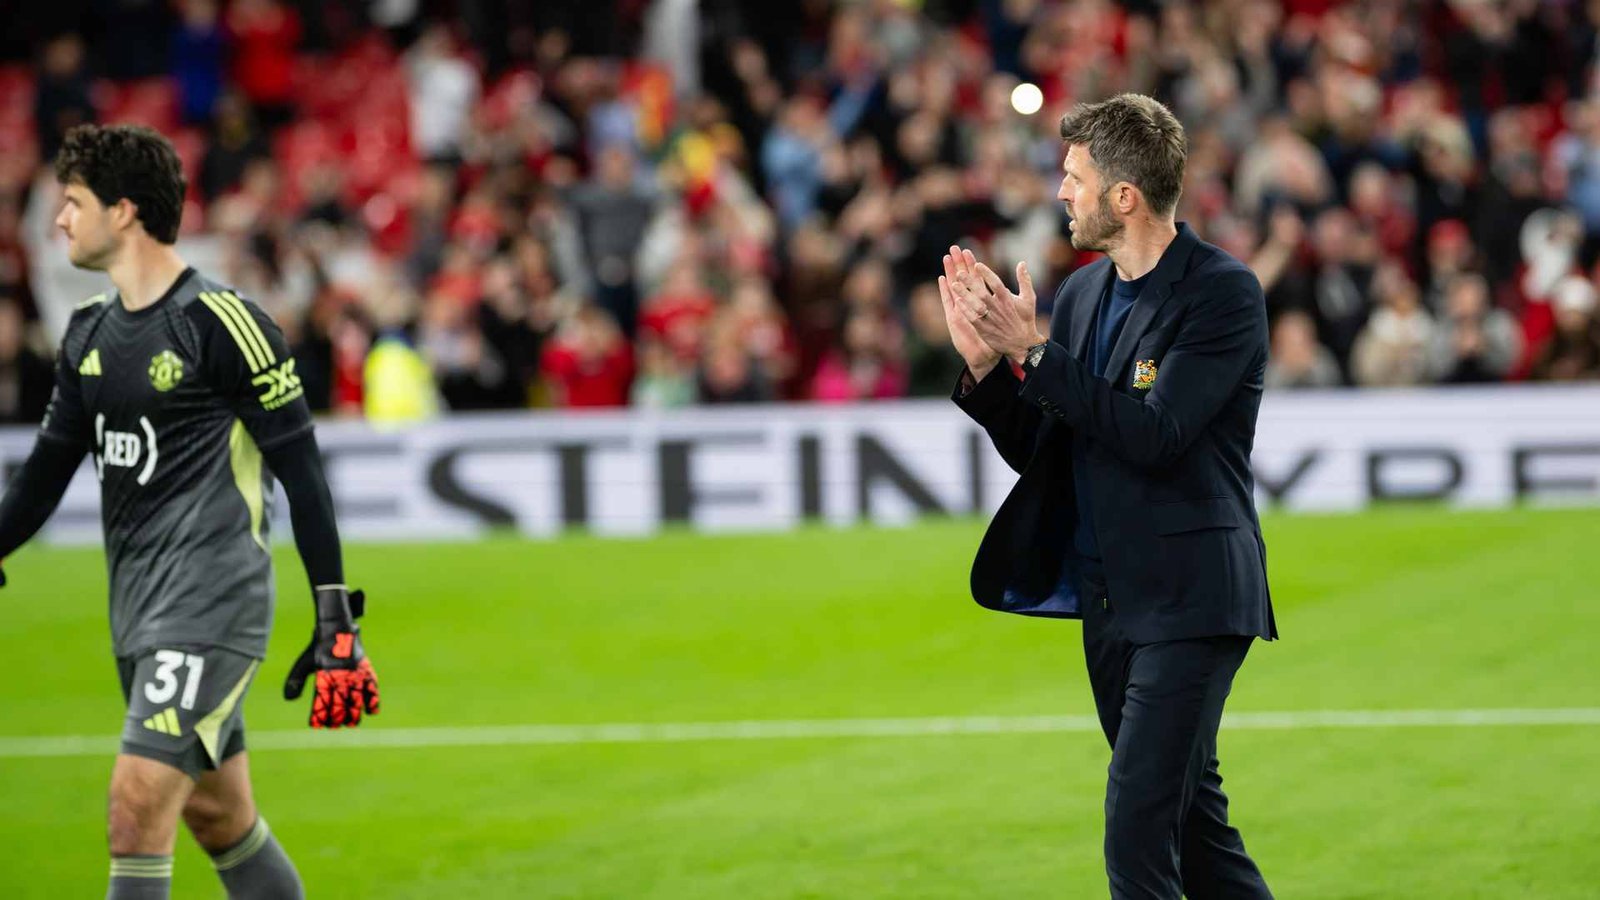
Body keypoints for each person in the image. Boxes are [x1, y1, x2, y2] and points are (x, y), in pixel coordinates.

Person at [0, 124, 380, 900]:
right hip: (138, 612)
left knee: (136, 806)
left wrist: (335, 615)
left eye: (73, 203)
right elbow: (42, 476)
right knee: (220, 817)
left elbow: (302, 471)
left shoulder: (220, 321)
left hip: (212, 605)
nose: (59, 222)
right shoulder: (87, 335)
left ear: (125, 211)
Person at [941, 94, 1275, 899]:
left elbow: (1156, 436)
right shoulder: (1086, 296)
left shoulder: (1222, 294)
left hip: (1191, 602)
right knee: (1195, 834)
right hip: (1110, 604)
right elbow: (1051, 451)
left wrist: (1038, 355)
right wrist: (993, 369)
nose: (1061, 191)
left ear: (1124, 197)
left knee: (1134, 831)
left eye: (1074, 177)